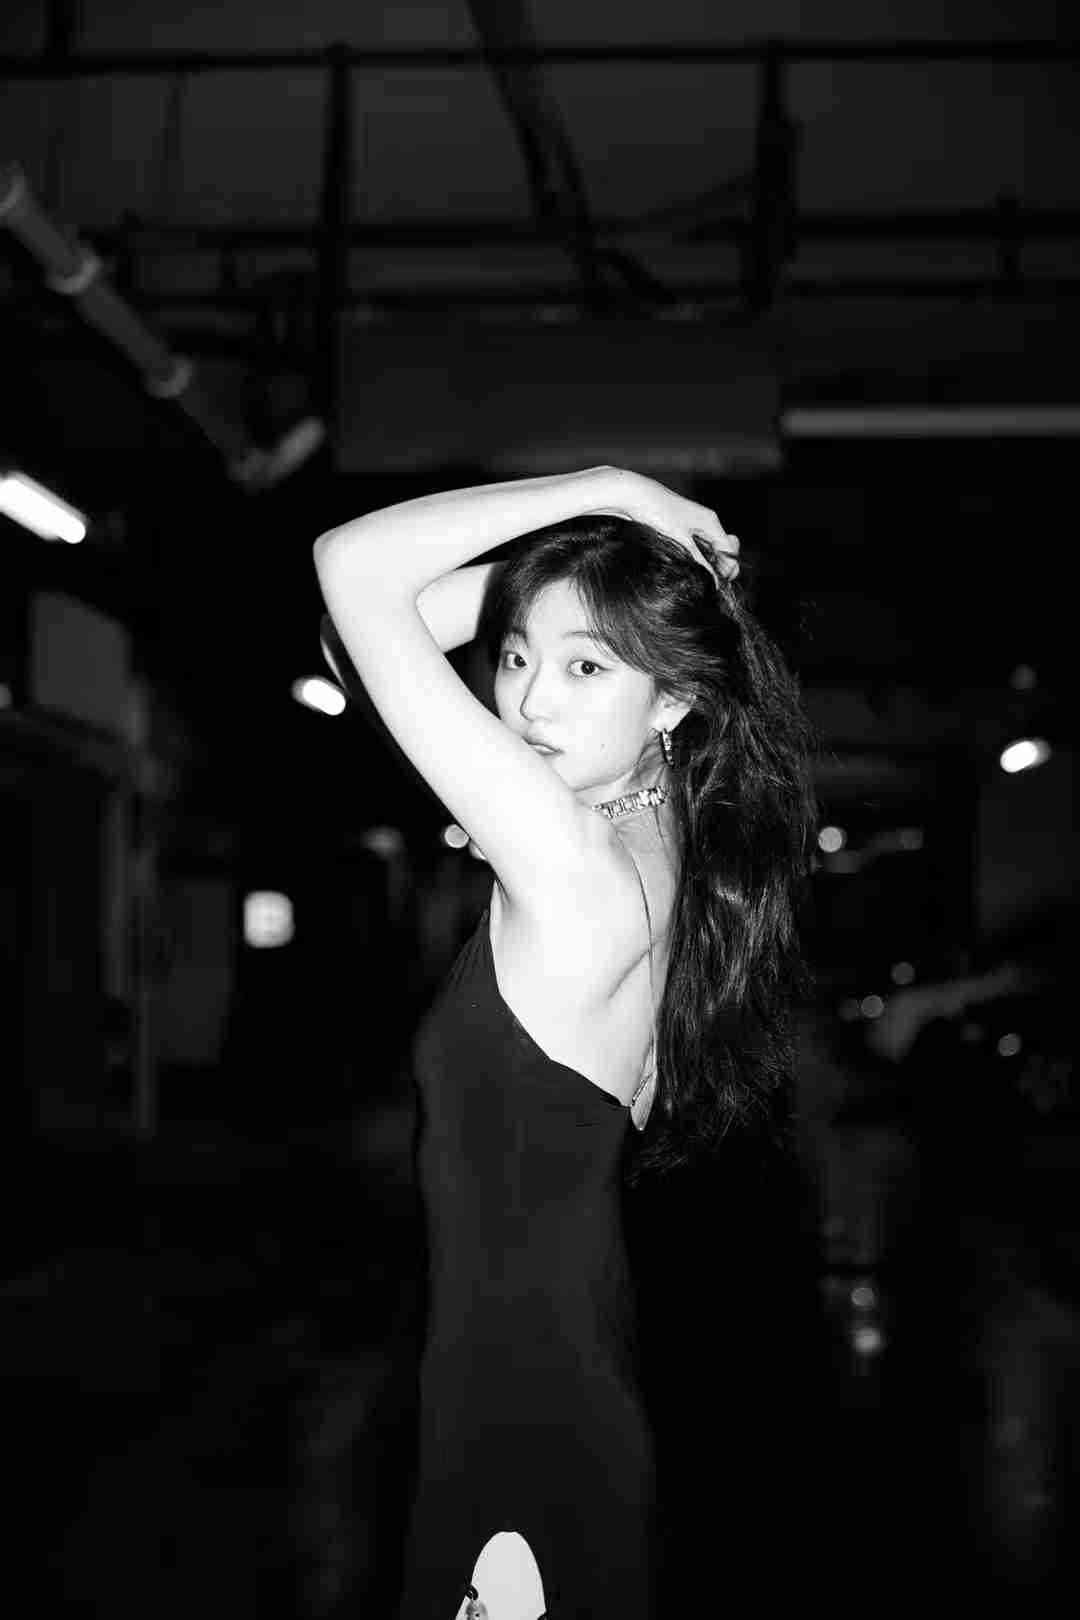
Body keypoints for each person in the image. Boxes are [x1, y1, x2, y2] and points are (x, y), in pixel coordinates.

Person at [312, 465, 816, 1619]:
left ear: (673, 702)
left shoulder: (569, 860)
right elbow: (352, 645)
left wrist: (608, 492)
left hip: (517, 1433)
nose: (532, 702)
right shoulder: (645, 826)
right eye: (516, 658)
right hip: (543, 1397)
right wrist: (584, 581)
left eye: (588, 668)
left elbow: (354, 572)